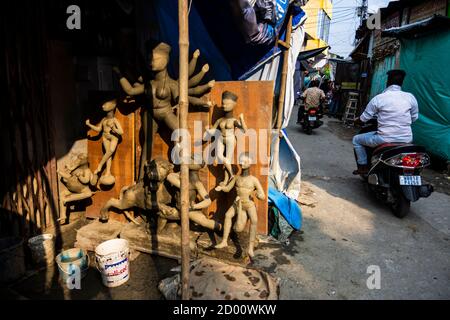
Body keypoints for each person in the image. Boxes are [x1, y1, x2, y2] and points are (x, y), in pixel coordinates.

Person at [352, 69, 419, 175]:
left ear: (387, 81)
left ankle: (363, 167)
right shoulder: (410, 97)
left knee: (356, 139)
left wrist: (357, 121)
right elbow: (414, 118)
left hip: (384, 139)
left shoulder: (379, 98)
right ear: (402, 82)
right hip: (406, 139)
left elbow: (364, 118)